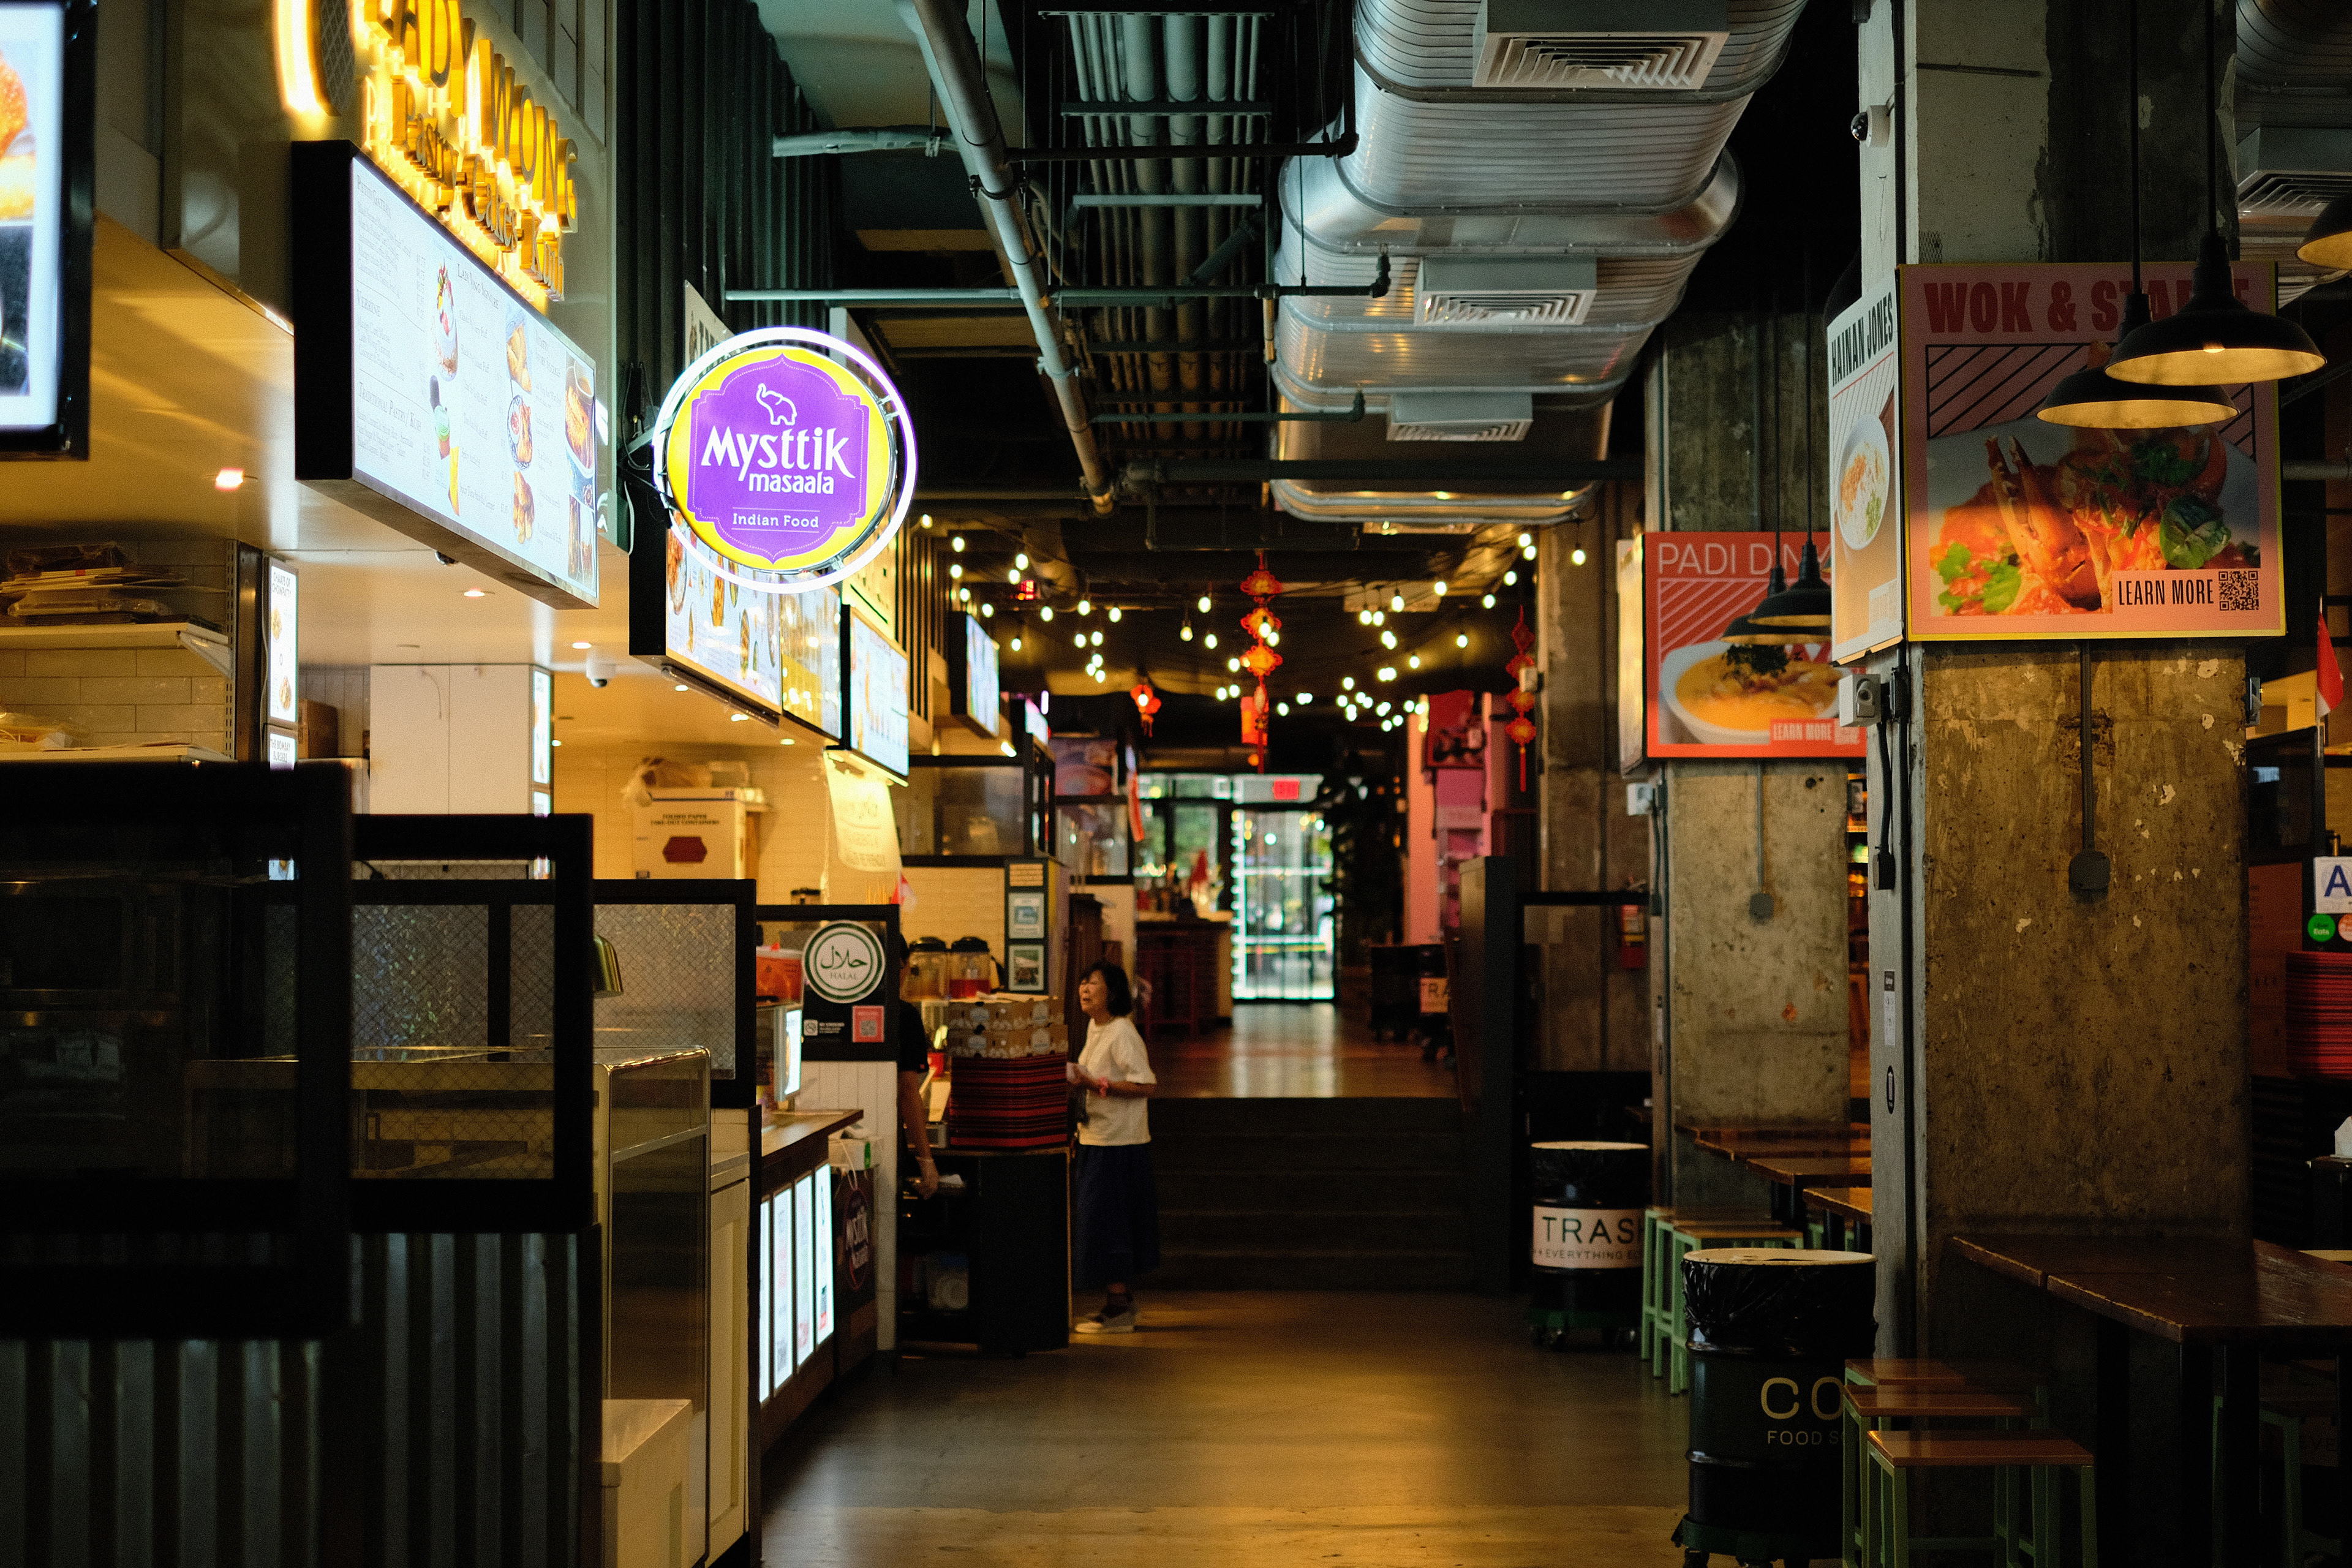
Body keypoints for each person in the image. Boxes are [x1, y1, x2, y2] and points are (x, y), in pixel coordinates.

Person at [1070, 960, 1158, 1333]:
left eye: (1094, 983)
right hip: (1096, 1138)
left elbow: (1146, 1086)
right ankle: (1119, 1305)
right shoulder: (1096, 1027)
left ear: (1114, 992)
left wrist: (1092, 1084)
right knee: (1100, 1223)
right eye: (1083, 982)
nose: (1085, 989)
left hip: (1118, 1145)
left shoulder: (1122, 1031)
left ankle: (1118, 1309)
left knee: (1109, 1223)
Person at [894, 944, 940, 1199]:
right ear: (905, 968)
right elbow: (908, 1092)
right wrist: (927, 1162)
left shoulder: (837, 1010)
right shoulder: (905, 1016)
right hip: (887, 1142)